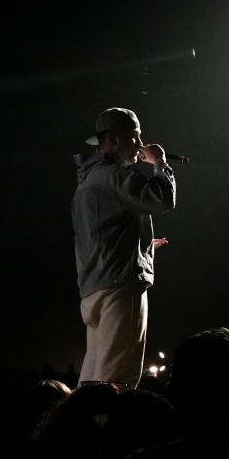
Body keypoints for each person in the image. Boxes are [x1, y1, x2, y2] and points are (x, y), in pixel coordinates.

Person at [72, 107, 177, 390]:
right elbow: (162, 199)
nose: (141, 145)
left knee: (93, 380)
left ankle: (75, 429)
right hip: (121, 286)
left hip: (94, 290)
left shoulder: (86, 182)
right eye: (135, 137)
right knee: (118, 380)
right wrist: (160, 164)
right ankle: (107, 434)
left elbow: (101, 234)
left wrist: (142, 245)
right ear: (115, 141)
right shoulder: (114, 175)